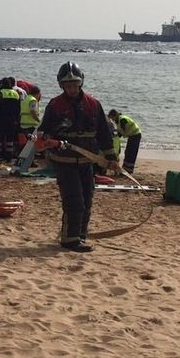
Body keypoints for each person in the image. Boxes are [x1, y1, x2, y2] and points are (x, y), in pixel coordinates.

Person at [38, 62, 118, 253]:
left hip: (87, 161)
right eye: (68, 85)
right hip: (64, 161)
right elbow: (44, 130)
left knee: (87, 199)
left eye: (74, 84)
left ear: (81, 83)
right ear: (62, 85)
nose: (71, 88)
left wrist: (111, 157)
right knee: (74, 200)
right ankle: (70, 240)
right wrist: (47, 140)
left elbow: (104, 134)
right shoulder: (55, 105)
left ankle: (80, 236)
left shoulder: (93, 104)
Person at [0, 77, 22, 160]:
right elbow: (18, 108)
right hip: (12, 119)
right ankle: (9, 155)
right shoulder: (15, 93)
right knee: (10, 138)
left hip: (1, 118)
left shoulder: (0, 92)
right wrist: (17, 120)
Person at [108, 109, 142, 173]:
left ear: (114, 115)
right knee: (128, 151)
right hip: (132, 135)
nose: (112, 120)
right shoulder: (119, 120)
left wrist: (117, 135)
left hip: (135, 135)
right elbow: (120, 132)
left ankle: (129, 170)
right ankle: (126, 168)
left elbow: (122, 129)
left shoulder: (122, 119)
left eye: (112, 118)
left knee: (131, 152)